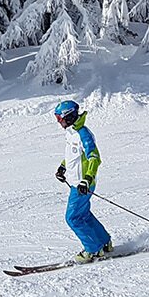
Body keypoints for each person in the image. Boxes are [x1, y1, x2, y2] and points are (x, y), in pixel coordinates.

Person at [54, 100, 112, 262]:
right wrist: (62, 167)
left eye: (60, 118)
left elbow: (94, 158)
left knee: (72, 218)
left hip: (82, 184)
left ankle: (93, 249)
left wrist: (86, 179)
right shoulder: (71, 132)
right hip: (75, 182)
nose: (59, 122)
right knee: (83, 215)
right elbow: (73, 155)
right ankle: (104, 242)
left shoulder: (83, 134)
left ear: (70, 116)